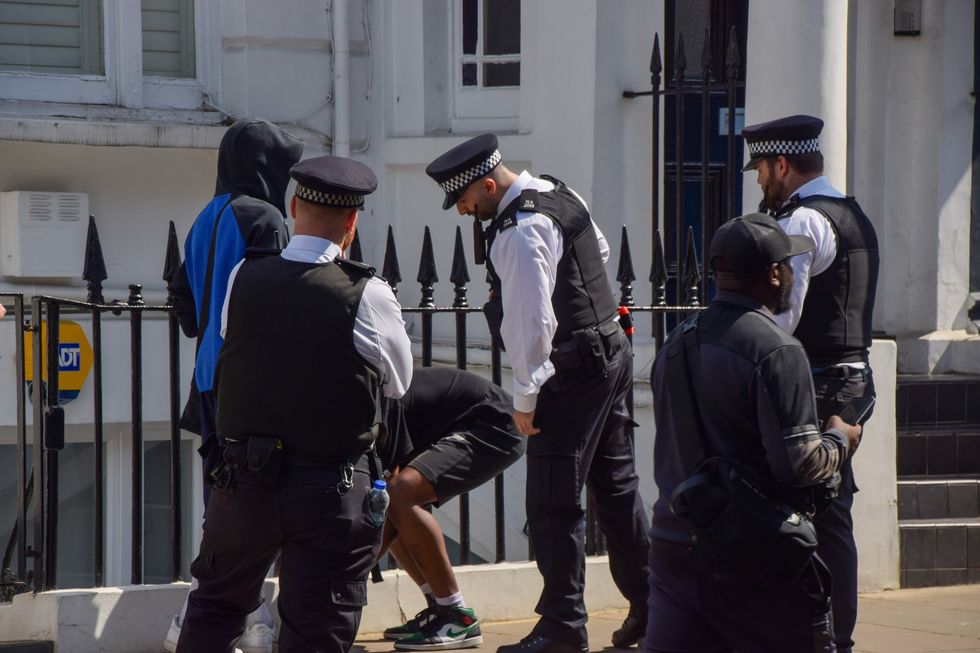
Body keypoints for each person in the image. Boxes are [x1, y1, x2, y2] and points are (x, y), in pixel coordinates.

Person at [175, 155, 414, 653]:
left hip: (243, 480)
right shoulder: (367, 293)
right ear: (352, 222)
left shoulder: (245, 275)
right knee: (315, 630)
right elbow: (398, 383)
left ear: (293, 206)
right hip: (329, 489)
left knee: (215, 609)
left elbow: (230, 341)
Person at [425, 135, 650, 653]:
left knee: (552, 502)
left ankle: (562, 628)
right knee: (616, 490)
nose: (462, 211)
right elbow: (599, 251)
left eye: (463, 200)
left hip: (568, 373)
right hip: (610, 351)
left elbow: (532, 328)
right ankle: (652, 606)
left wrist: (525, 401)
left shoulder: (518, 232)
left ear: (487, 184)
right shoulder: (557, 192)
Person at [645, 213, 863, 652]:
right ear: (774, 274)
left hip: (673, 546)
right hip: (750, 559)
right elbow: (799, 464)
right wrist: (841, 438)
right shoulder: (777, 349)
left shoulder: (675, 343)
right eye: (787, 266)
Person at [165, 117, 303, 653]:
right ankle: (253, 618)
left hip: (208, 379)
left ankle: (214, 611)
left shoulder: (208, 215)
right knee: (265, 496)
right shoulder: (265, 217)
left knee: (221, 500)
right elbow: (281, 295)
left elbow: (185, 306)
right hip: (253, 380)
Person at [743, 114, 880, 653]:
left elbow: (781, 315)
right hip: (844, 378)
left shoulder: (806, 223)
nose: (757, 180)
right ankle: (823, 634)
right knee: (825, 510)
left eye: (760, 168)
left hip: (820, 384)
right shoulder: (850, 212)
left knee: (820, 514)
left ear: (782, 164)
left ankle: (830, 638)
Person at [377, 366, 527, 651]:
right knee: (391, 504)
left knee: (400, 495)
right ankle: (439, 608)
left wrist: (347, 575)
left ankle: (456, 616)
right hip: (467, 421)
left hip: (495, 423)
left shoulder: (378, 404)